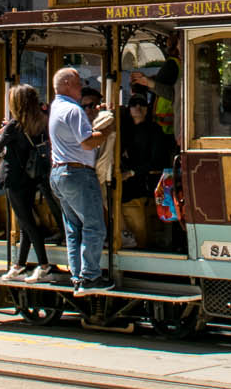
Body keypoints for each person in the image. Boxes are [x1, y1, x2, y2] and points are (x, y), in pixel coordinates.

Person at [47, 67, 115, 290]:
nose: (81, 87)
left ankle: (77, 275)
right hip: (77, 174)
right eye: (78, 83)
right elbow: (86, 142)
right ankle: (90, 277)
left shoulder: (56, 108)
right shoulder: (72, 110)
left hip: (60, 173)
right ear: (66, 84)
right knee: (94, 226)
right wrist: (107, 130)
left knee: (73, 228)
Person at [0, 84, 60, 282]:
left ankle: (43, 265)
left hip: (14, 178)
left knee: (28, 223)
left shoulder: (14, 125)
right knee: (24, 223)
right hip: (32, 177)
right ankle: (19, 265)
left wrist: (2, 130)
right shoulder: (42, 122)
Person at [120, 93, 171, 250]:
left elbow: (157, 161)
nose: (138, 107)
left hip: (147, 183)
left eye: (142, 104)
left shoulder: (154, 130)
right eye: (134, 104)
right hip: (126, 184)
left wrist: (132, 172)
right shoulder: (124, 131)